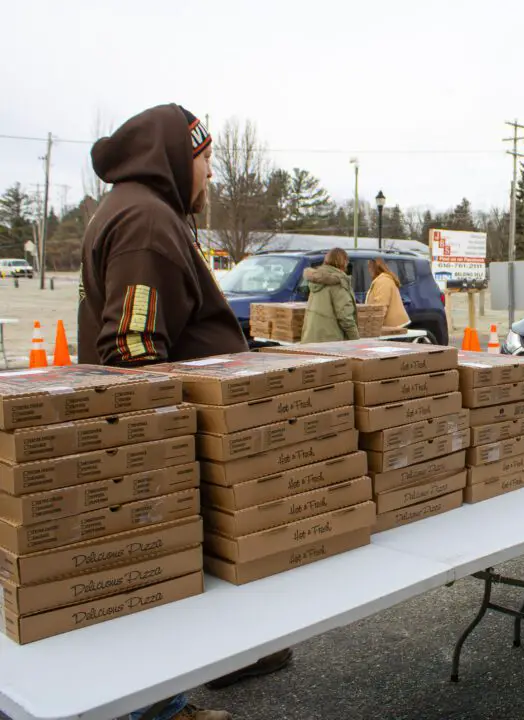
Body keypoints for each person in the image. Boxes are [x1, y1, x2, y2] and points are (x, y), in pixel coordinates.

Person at [78, 103, 292, 720]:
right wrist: (169, 461)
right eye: (205, 159)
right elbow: (133, 351)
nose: (210, 174)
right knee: (157, 580)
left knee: (187, 575)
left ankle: (220, 659)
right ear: (174, 156)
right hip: (163, 450)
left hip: (182, 442)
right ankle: (157, 709)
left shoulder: (144, 210)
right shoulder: (146, 222)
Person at [300, 248, 359, 342]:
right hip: (331, 341)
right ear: (343, 262)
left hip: (311, 338)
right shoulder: (338, 282)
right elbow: (345, 316)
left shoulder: (316, 279)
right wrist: (356, 339)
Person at [365, 257, 410, 328]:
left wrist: (373, 326)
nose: (368, 270)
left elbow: (381, 307)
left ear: (374, 267)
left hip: (394, 327)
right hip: (392, 326)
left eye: (369, 266)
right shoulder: (380, 280)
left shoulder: (383, 281)